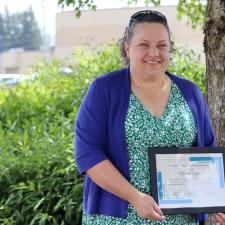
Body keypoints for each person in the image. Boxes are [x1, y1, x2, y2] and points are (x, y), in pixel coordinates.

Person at [75, 9, 225, 225]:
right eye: (144, 45)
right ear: (127, 48)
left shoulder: (190, 93)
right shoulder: (104, 89)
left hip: (181, 220)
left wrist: (213, 205)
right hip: (117, 218)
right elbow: (87, 154)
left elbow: (208, 154)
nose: (154, 53)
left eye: (162, 45)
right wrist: (135, 197)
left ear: (170, 48)